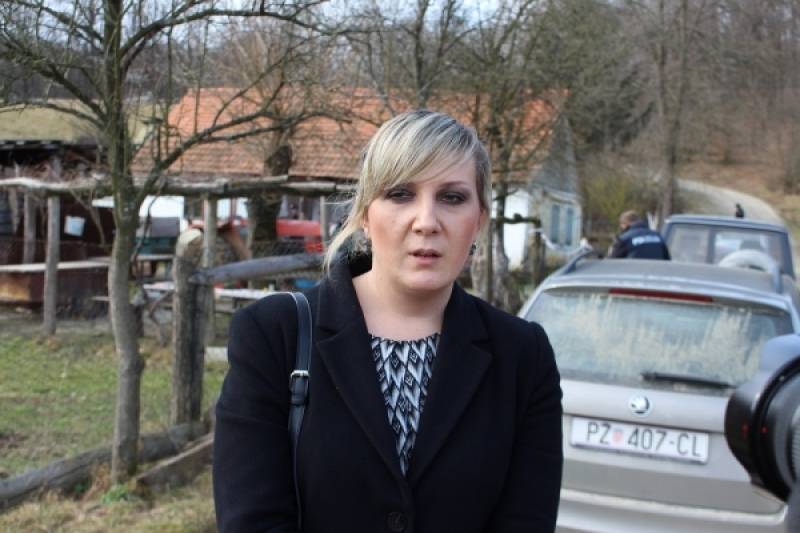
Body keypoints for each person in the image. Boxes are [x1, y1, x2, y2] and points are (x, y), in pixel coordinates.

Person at [213, 110, 563, 532]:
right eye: (400, 194)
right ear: (365, 213)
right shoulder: (275, 335)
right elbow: (253, 520)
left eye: (452, 198)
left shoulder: (522, 355)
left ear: (480, 220)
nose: (427, 222)